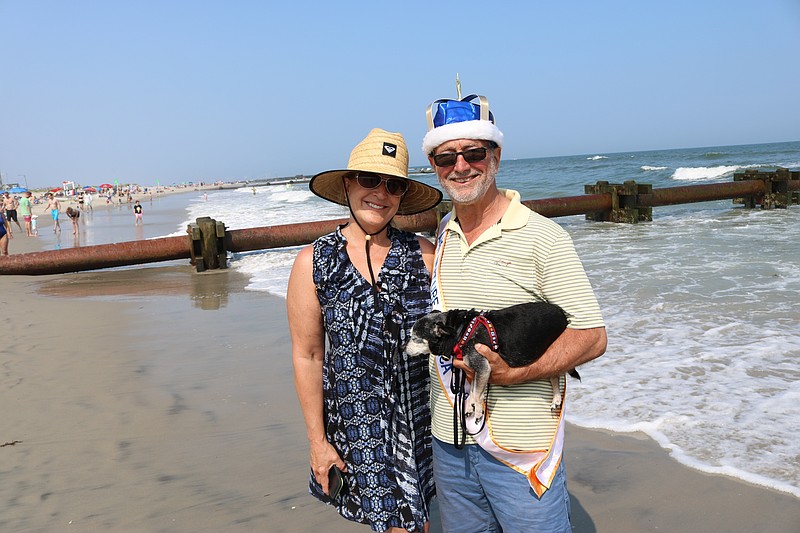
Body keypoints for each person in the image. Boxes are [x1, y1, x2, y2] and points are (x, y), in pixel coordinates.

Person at [421, 91, 607, 532]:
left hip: (520, 448)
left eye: (473, 153)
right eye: (447, 158)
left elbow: (593, 335)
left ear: (496, 155)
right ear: (434, 167)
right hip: (449, 441)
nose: (461, 166)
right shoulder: (443, 232)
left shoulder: (544, 237)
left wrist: (518, 374)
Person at [287, 128, 443, 533]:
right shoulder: (313, 262)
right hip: (357, 427)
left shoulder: (424, 255)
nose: (380, 192)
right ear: (347, 184)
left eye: (393, 185)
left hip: (419, 423)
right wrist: (317, 443)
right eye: (370, 179)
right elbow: (308, 356)